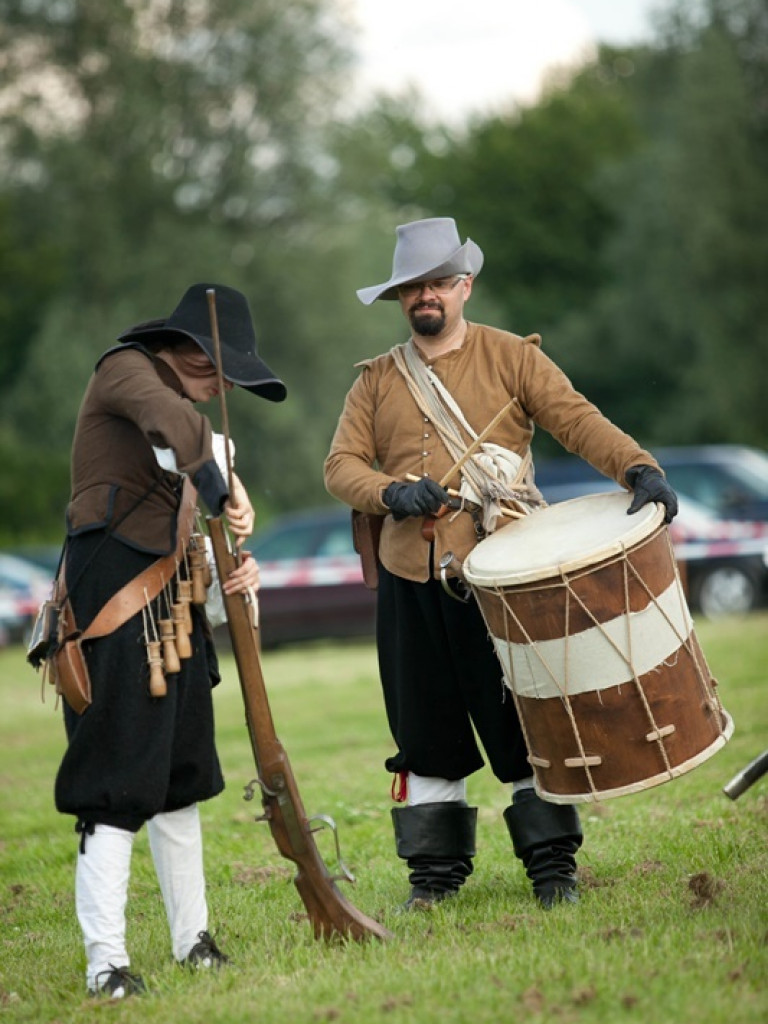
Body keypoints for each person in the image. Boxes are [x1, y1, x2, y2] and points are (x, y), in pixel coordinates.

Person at [324, 218, 677, 912]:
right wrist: (390, 492)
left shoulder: (514, 357)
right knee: (423, 732)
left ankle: (552, 871)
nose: (424, 296)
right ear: (401, 300)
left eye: (436, 283)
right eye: (411, 288)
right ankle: (433, 880)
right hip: (408, 575)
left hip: (502, 577)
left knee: (525, 726)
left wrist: (639, 467)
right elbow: (339, 467)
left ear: (464, 286)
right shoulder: (373, 382)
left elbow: (576, 420)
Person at [53, 283, 286, 997]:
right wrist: (222, 483)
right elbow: (176, 429)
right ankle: (106, 964)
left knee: (181, 782)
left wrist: (229, 564)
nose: (223, 383)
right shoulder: (125, 369)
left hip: (177, 609)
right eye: (217, 367)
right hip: (117, 606)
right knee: (115, 787)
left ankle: (194, 940)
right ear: (183, 348)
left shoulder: (193, 419)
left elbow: (188, 507)